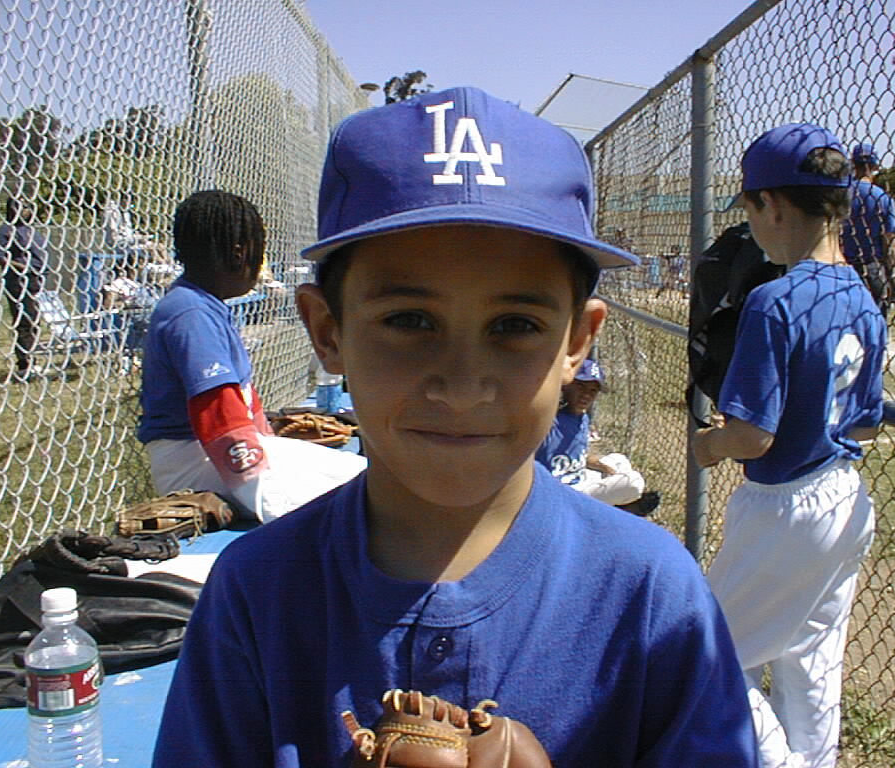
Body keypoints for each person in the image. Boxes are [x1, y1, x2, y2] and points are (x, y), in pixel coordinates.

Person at [152, 87, 758, 767]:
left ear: (577, 343)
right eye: (409, 321)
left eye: (515, 326)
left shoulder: (651, 595)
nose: (463, 387)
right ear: (328, 331)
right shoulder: (255, 595)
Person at [693, 123, 887, 768]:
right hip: (846, 496)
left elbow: (754, 436)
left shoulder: (775, 299)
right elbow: (865, 424)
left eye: (750, 211)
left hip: (786, 507)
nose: (751, 228)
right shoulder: (862, 296)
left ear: (772, 205)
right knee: (812, 660)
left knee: (709, 657)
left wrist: (711, 445)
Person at [136, 189, 366, 524]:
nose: (260, 264)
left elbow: (243, 399)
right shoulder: (190, 313)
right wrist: (266, 494)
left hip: (215, 453)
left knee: (360, 475)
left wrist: (273, 449)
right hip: (194, 461)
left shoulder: (205, 303)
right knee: (344, 502)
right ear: (239, 253)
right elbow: (216, 412)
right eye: (260, 252)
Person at [536, 357, 647, 508]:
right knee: (634, 482)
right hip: (562, 494)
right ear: (566, 386)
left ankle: (616, 504)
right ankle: (619, 507)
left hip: (580, 480)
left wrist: (603, 467)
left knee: (619, 460)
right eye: (580, 386)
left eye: (592, 390)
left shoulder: (582, 419)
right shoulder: (550, 420)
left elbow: (581, 457)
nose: (586, 394)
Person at [0, 196, 48, 380]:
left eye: (28, 207)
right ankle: (25, 364)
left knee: (35, 321)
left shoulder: (31, 230)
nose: (26, 210)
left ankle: (34, 358)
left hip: (37, 279)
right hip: (19, 281)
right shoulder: (6, 230)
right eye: (22, 207)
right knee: (24, 321)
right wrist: (22, 267)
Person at [840, 142, 895, 317]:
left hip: (843, 266)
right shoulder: (883, 197)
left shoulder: (841, 195)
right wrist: (892, 277)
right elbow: (889, 240)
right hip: (872, 267)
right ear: (875, 166)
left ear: (852, 164)